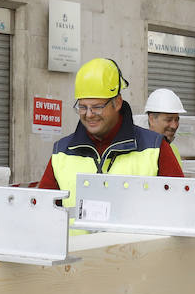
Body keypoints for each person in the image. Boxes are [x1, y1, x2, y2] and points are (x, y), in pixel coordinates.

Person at [38, 58, 183, 205]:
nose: (89, 114)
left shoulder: (155, 148)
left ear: (117, 102)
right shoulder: (61, 152)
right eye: (82, 107)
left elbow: (179, 207)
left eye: (97, 106)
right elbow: (43, 212)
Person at [143, 87, 187, 168]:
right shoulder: (140, 151)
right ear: (151, 119)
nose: (174, 126)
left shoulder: (173, 150)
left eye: (176, 120)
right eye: (168, 120)